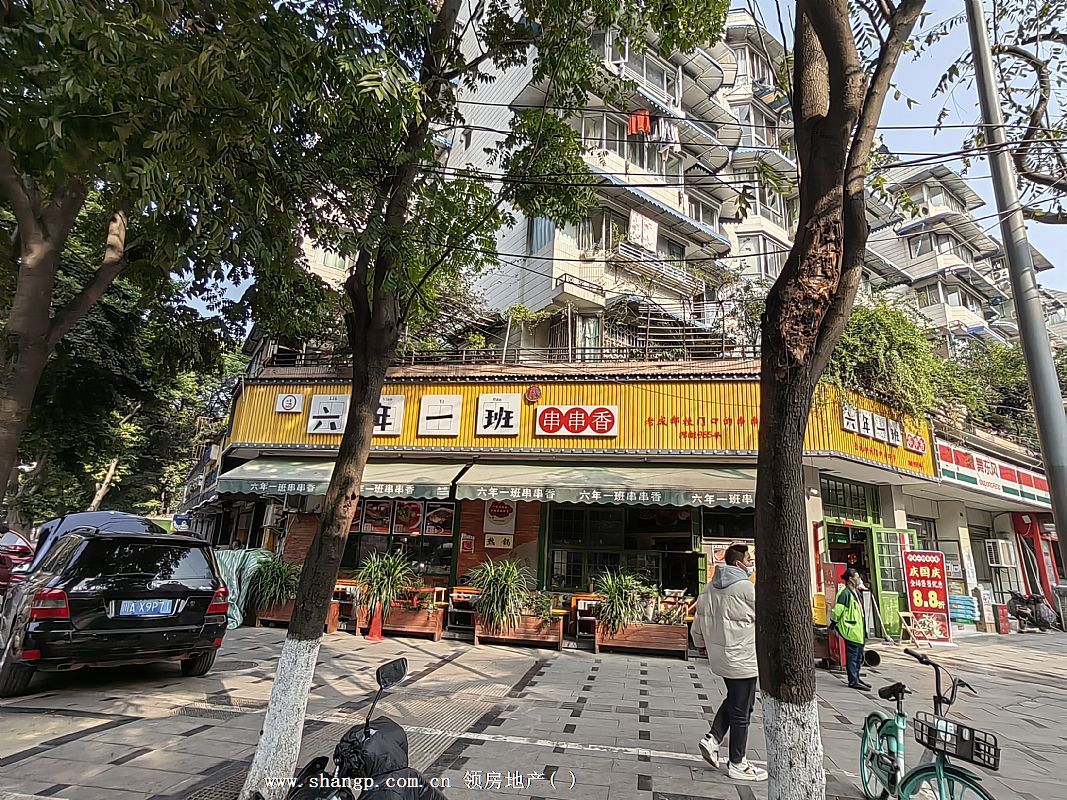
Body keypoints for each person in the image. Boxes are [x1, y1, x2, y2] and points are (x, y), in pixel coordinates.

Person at [691, 544, 767, 782]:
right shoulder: (746, 589)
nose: (751, 564)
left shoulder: (708, 587)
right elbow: (765, 619)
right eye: (749, 560)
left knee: (737, 700)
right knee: (742, 710)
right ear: (738, 563)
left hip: (721, 658)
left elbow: (697, 624)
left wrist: (700, 644)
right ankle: (737, 762)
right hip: (743, 657)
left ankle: (713, 738)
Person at [832, 567, 870, 690]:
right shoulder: (845, 593)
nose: (859, 579)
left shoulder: (856, 592)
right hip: (851, 629)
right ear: (850, 579)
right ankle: (853, 680)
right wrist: (834, 623)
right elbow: (838, 610)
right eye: (856, 577)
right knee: (852, 656)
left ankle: (856, 677)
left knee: (859, 656)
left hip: (858, 630)